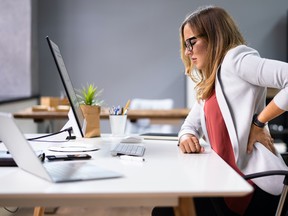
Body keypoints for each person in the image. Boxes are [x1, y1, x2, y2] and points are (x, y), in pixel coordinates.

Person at [152, 5, 288, 216]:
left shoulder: (237, 60)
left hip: (253, 185)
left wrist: (259, 122)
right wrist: (186, 136)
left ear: (214, 36)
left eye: (192, 42)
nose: (188, 52)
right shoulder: (212, 83)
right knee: (166, 210)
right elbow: (189, 126)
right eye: (185, 45)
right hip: (225, 183)